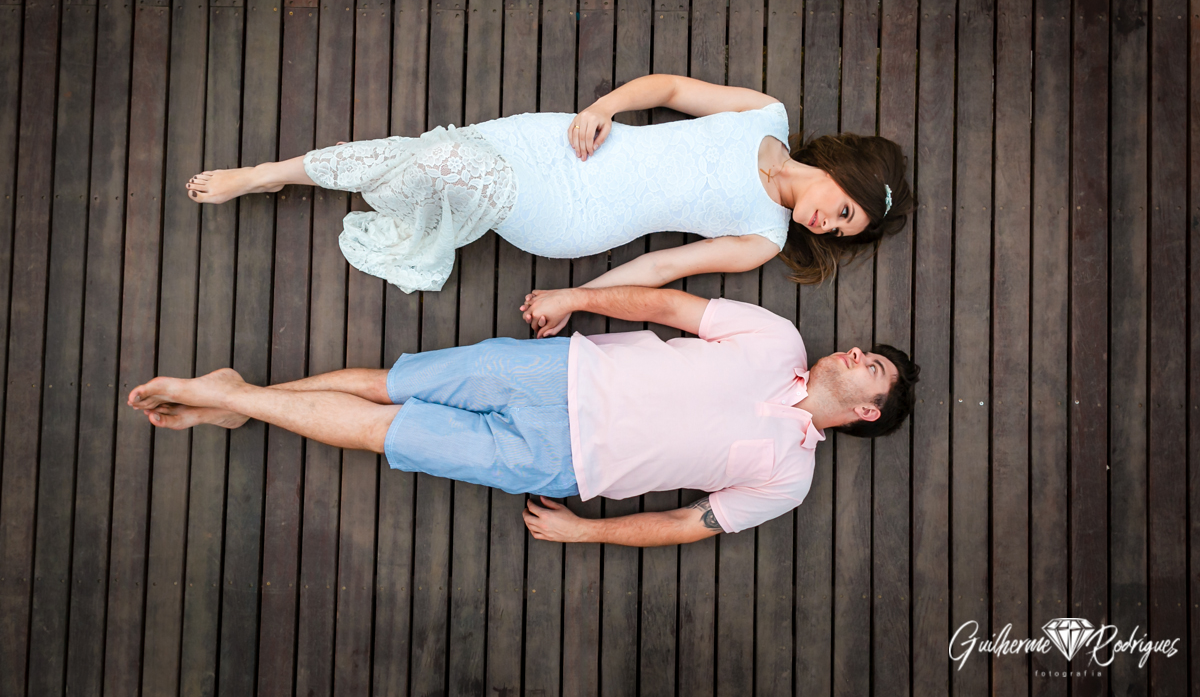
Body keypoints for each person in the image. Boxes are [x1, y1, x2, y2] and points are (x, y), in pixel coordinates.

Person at [127, 286, 919, 545]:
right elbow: (669, 306)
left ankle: (231, 398)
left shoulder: (790, 477)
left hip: (560, 464)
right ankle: (236, 400)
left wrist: (586, 531)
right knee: (389, 386)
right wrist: (578, 297)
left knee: (387, 434)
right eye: (862, 348)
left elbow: (689, 523)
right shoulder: (777, 334)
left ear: (870, 411)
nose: (853, 353)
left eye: (869, 365)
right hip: (557, 368)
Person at [184, 75, 913, 328]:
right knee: (417, 154)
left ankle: (268, 177)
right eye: (846, 210)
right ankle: (271, 173)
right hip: (562, 145)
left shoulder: (760, 235)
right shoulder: (766, 116)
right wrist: (603, 107)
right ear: (843, 172)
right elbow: (667, 91)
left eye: (844, 231)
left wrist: (572, 300)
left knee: (437, 162)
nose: (830, 225)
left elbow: (660, 270)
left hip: (570, 219)